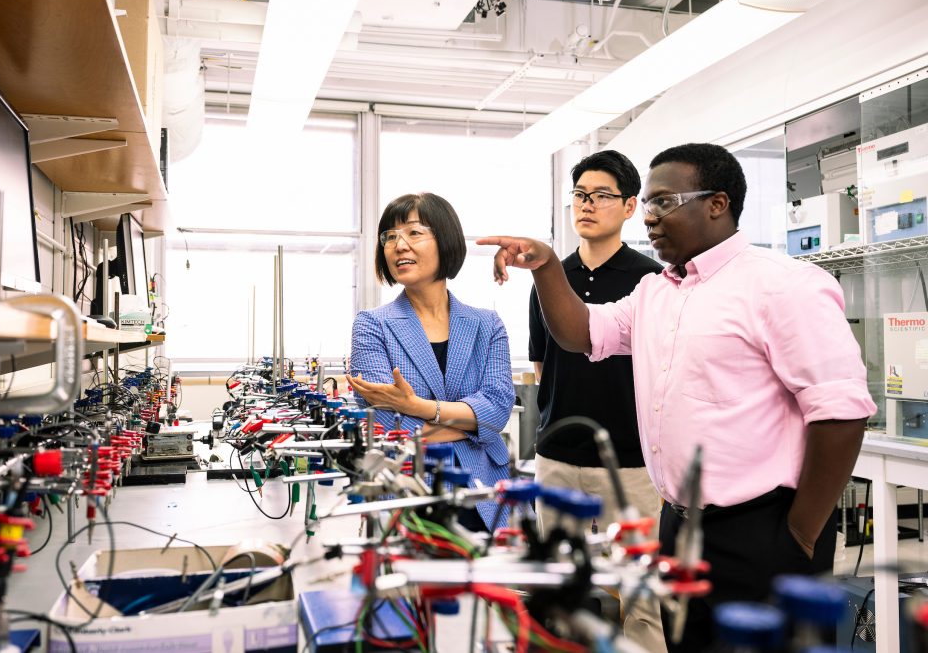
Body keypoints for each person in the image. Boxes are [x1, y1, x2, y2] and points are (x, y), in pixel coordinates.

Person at [479, 143, 875, 652]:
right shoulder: (656, 292)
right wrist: (547, 265)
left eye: (664, 202)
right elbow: (582, 332)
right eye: (646, 204)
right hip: (680, 524)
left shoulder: (783, 285)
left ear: (717, 203)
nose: (649, 217)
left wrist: (800, 535)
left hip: (763, 529)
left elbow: (841, 410)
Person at [529, 150, 665, 651]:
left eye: (602, 195)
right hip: (558, 459)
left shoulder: (651, 281)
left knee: (640, 593)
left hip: (630, 464)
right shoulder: (549, 278)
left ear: (630, 206)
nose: (587, 205)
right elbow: (543, 368)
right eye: (580, 195)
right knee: (558, 585)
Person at [347, 192, 515, 532]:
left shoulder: (486, 324)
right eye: (389, 236)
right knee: (408, 583)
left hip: (483, 490)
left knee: (489, 582)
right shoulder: (371, 325)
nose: (398, 245)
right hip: (406, 487)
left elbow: (497, 409)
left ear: (445, 240)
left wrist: (415, 405)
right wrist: (470, 426)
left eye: (413, 232)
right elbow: (387, 427)